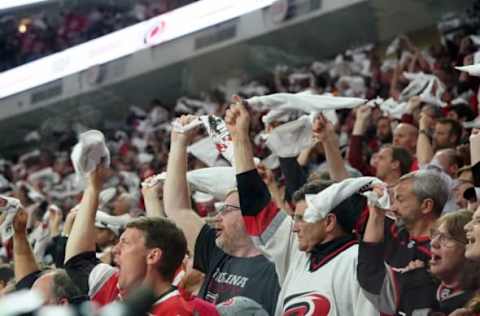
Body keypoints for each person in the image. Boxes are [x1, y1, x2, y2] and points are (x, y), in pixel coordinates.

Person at [224, 98, 377, 315]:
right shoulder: (298, 253)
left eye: (302, 218)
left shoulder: (358, 262)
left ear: (329, 221)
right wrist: (240, 138)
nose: (294, 226)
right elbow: (257, 209)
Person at [161, 115, 280, 315]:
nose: (216, 218)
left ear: (250, 215)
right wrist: (179, 143)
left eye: (225, 210)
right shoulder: (216, 251)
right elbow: (176, 208)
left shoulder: (277, 265)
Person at [63, 168, 217, 315]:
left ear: (153, 256)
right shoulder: (112, 285)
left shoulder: (188, 311)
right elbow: (77, 261)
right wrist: (92, 188)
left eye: (125, 243)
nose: (115, 250)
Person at [358, 170, 450, 315]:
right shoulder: (392, 232)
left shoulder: (443, 253)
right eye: (393, 200)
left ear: (426, 206)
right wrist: (375, 213)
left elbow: (373, 284)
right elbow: (368, 274)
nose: (393, 207)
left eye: (400, 200)